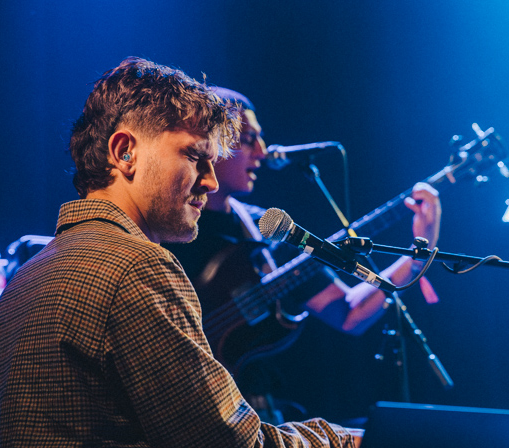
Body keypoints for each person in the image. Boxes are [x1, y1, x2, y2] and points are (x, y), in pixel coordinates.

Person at [0, 57, 469, 448]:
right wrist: (348, 445)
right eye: (195, 157)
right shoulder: (135, 267)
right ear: (125, 151)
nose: (210, 181)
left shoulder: (25, 284)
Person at [164, 88, 441, 420]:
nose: (262, 152)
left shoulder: (265, 229)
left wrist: (416, 255)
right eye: (249, 140)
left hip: (249, 411)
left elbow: (349, 312)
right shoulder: (165, 226)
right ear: (211, 145)